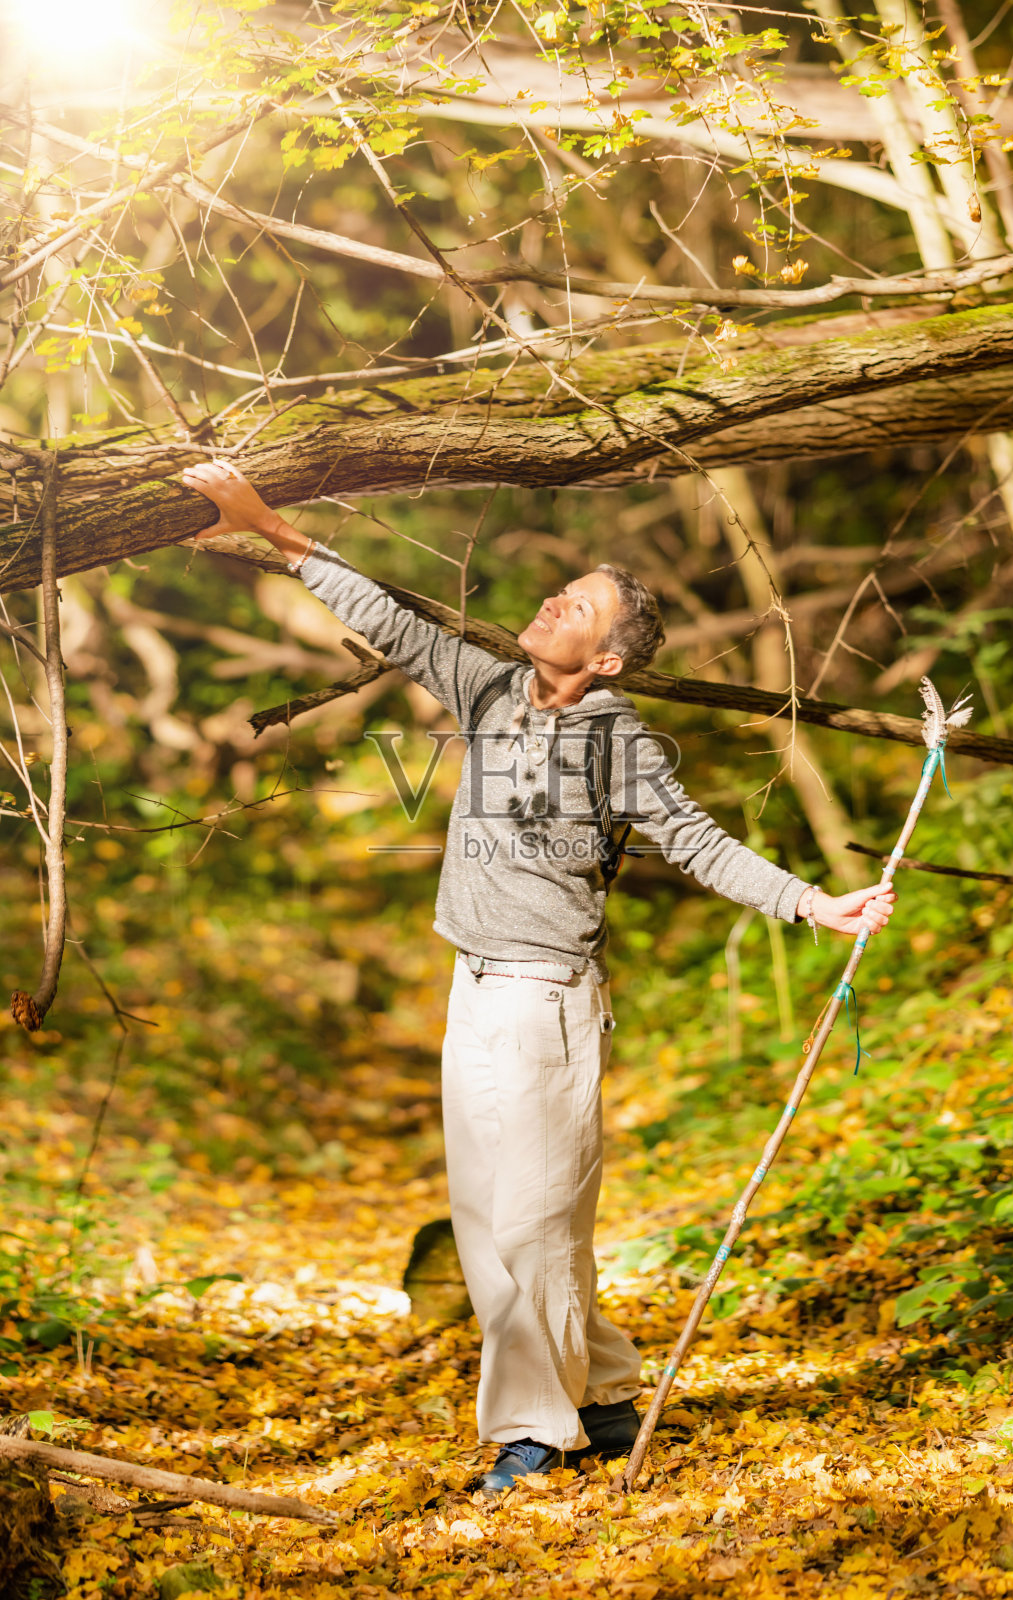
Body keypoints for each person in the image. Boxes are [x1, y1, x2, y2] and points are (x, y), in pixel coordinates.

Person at [181, 460, 896, 1495]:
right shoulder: (487, 685)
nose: (554, 601)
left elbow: (694, 840)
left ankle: (533, 1429)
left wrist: (810, 903)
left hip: (545, 1001)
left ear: (603, 659)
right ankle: (599, 1395)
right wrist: (275, 531)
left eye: (579, 607)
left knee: (534, 1223)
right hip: (471, 987)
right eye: (562, 590)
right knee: (488, 1221)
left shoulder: (618, 739)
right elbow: (386, 619)